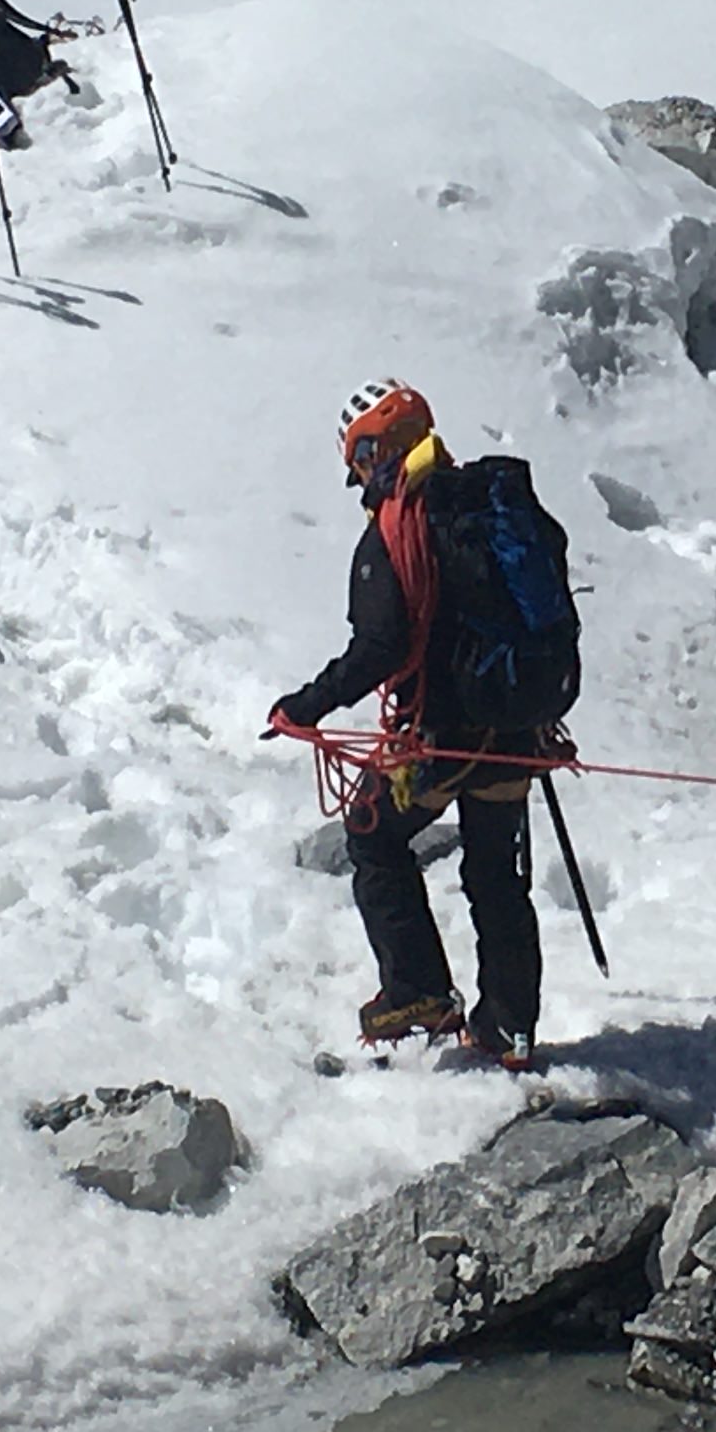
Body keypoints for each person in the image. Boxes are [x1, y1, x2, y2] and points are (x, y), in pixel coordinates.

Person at [268, 381, 555, 1068]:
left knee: (372, 836)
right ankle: (508, 1029)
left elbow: (380, 646)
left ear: (375, 448)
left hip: (439, 734)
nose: (360, 478)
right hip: (515, 726)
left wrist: (306, 704)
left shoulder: (398, 527)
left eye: (360, 462)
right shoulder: (486, 508)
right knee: (497, 878)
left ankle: (418, 987)